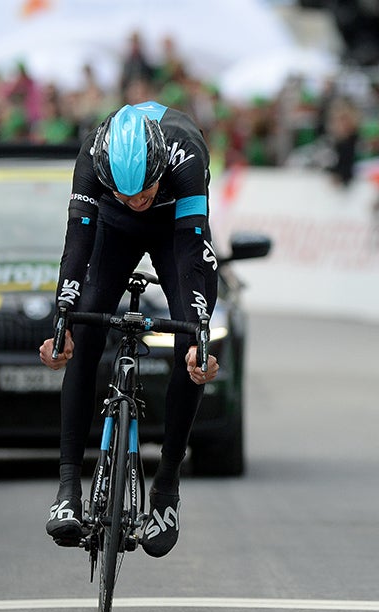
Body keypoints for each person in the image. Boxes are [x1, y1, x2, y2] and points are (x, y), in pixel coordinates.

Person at [40, 101, 219, 558]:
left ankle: (166, 488)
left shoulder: (187, 155)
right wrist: (62, 322)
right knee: (79, 330)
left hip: (174, 228)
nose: (138, 201)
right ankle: (67, 490)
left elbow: (193, 251)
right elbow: (76, 245)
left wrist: (198, 331)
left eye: (144, 191)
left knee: (190, 345)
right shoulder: (93, 157)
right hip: (110, 227)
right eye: (127, 193)